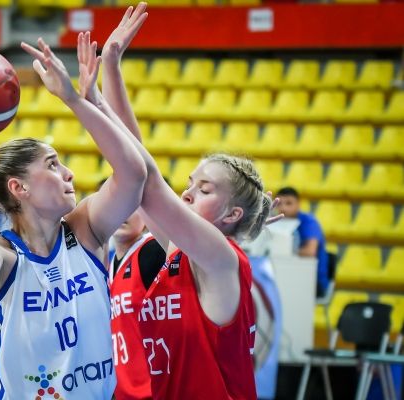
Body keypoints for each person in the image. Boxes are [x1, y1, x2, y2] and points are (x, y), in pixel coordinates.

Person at [0, 34, 147, 399]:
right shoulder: (5, 260)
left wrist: (75, 99)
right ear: (19, 188)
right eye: (53, 165)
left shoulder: (85, 232)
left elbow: (134, 175)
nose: (69, 174)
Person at [85, 6, 275, 397]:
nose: (187, 193)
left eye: (205, 189)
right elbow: (136, 171)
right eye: (190, 183)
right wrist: (112, 67)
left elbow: (147, 178)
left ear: (232, 213)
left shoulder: (221, 258)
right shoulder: (181, 252)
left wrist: (89, 100)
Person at [109, 210, 165, 400]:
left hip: (153, 391)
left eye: (133, 206)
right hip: (122, 391)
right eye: (118, 205)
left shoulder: (154, 250)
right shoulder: (108, 265)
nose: (123, 212)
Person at [276, 186, 329, 297]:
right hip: (288, 274)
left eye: (289, 203)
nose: (283, 208)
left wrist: (281, 250)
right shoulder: (276, 221)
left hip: (313, 280)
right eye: (279, 204)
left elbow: (310, 252)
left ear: (298, 204)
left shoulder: (309, 222)